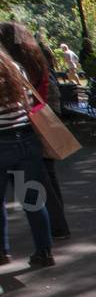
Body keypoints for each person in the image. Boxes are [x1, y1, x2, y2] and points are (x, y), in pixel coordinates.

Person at [0, 21, 70, 239]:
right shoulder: (35, 58)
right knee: (45, 176)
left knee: (33, 186)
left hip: (22, 125)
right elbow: (42, 91)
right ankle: (57, 227)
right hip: (40, 118)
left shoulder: (12, 65)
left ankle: (54, 229)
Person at [0, 46, 54, 267]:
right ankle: (44, 252)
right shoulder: (16, 69)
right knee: (33, 200)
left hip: (1, 144)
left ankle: (2, 252)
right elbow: (30, 102)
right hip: (27, 141)